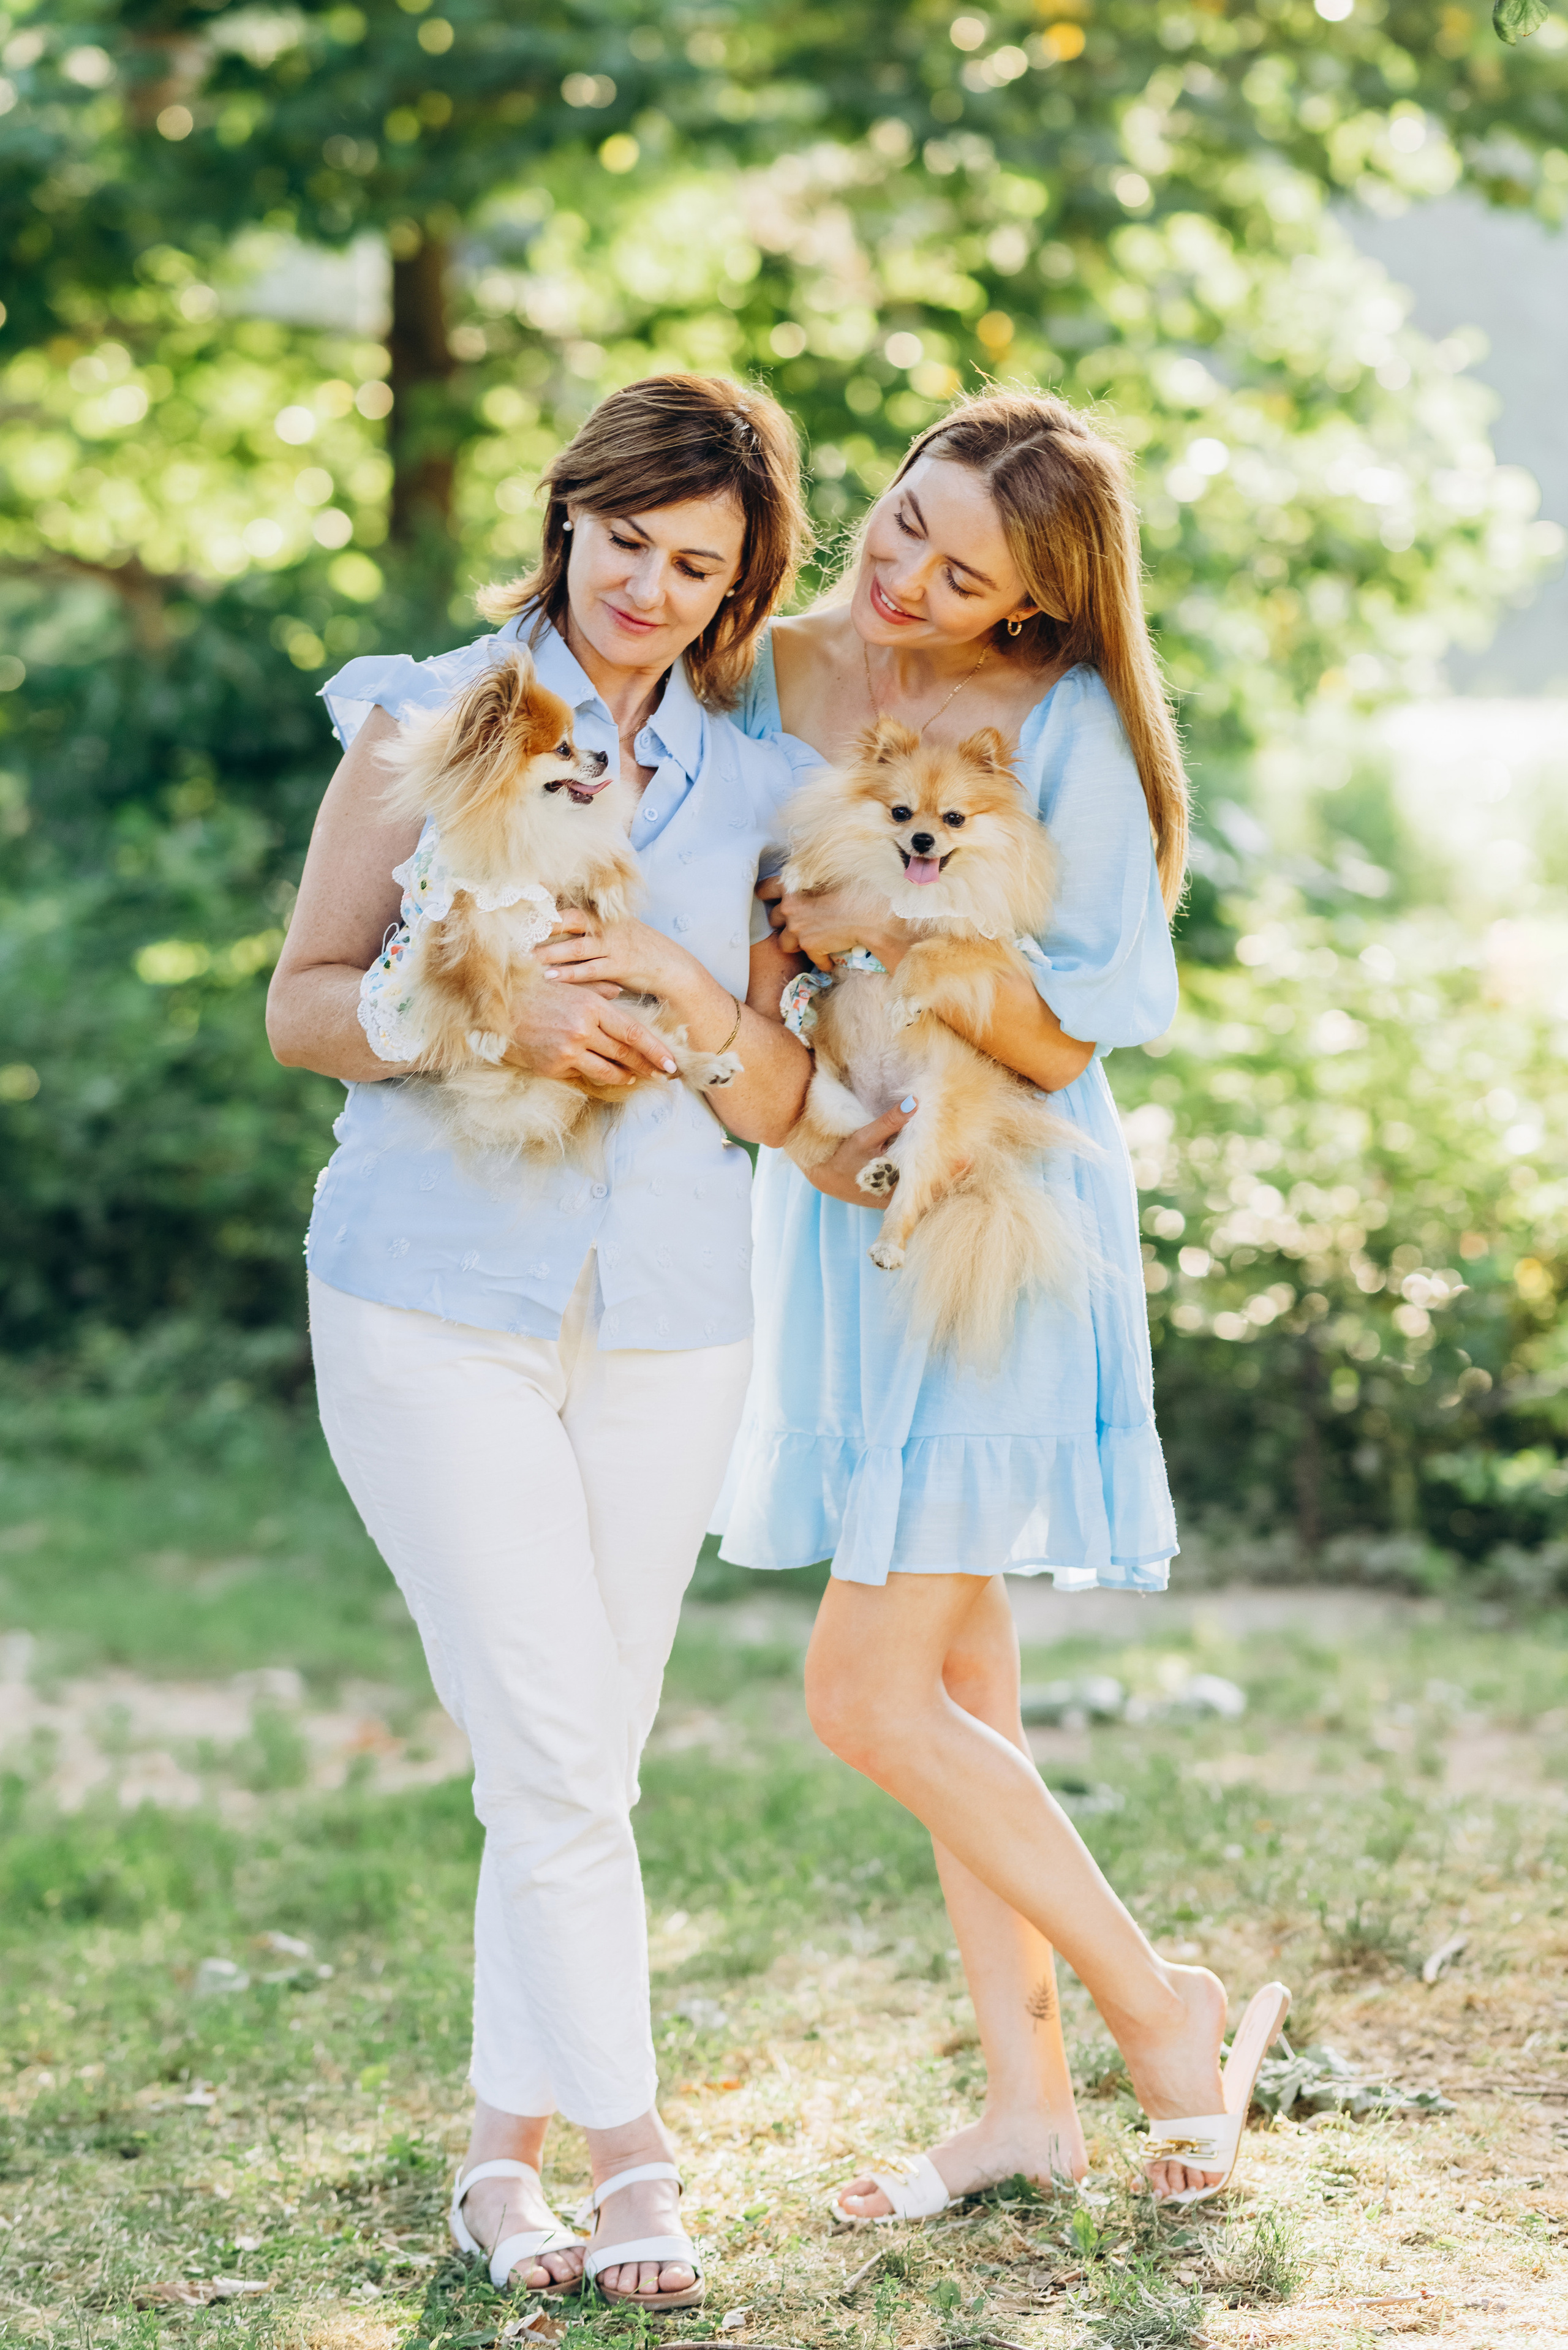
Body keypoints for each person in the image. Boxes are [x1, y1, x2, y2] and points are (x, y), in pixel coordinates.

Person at [704, 390, 1287, 2210]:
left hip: (1006, 1209)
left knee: (868, 1698)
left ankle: (1160, 2005)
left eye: (964, 575)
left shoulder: (1073, 721)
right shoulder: (757, 672)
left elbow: (1075, 1019)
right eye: (901, 526)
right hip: (840, 1205)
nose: (908, 580)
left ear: (1036, 606)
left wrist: (898, 942)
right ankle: (1025, 2110)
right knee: (959, 1685)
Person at [266, 374, 813, 2309]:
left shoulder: (755, 786)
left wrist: (689, 998)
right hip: (433, 1296)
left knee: (570, 1756)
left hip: (671, 1315)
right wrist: (469, 1025)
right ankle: (638, 2162)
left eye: (698, 565)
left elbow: (771, 1098)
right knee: (566, 1760)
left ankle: (502, 2168)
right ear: (567, 516)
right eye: (623, 542)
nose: (648, 591)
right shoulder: (424, 714)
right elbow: (305, 1005)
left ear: (743, 585)